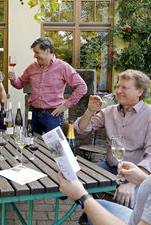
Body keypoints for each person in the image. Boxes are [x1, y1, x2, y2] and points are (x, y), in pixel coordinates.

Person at [74, 69, 151, 208]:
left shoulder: (149, 115)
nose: (118, 91)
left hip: (137, 172)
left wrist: (133, 183)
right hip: (110, 168)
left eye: (125, 87)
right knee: (76, 178)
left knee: (131, 201)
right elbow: (82, 129)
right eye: (118, 86)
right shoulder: (109, 111)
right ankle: (91, 210)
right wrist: (90, 110)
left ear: (140, 91)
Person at [8, 37, 87, 134]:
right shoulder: (32, 67)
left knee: (55, 147)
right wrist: (13, 80)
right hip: (33, 113)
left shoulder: (63, 67)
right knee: (30, 144)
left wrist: (66, 105)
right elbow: (20, 84)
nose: (34, 56)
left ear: (47, 51)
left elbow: (82, 87)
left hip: (52, 115)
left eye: (37, 52)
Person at [57, 161, 151, 225]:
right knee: (96, 206)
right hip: (135, 216)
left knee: (92, 209)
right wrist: (144, 178)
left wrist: (81, 197)